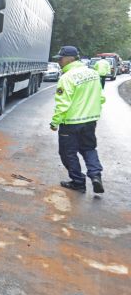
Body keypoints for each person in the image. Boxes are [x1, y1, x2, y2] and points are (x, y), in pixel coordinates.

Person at [50, 46, 105, 194]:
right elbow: (101, 97)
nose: (59, 61)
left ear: (70, 58)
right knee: (89, 148)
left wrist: (55, 122)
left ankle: (78, 182)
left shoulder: (67, 77)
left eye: (61, 58)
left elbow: (63, 104)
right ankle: (95, 175)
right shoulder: (93, 74)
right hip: (90, 121)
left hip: (71, 123)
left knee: (68, 153)